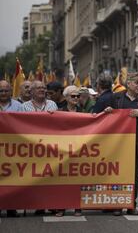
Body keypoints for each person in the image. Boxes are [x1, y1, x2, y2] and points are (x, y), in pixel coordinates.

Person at [104, 72, 138, 216]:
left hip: (136, 144)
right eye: (136, 82)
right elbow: (108, 119)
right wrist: (108, 112)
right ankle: (118, 204)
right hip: (119, 145)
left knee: (133, 176)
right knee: (118, 174)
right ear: (129, 83)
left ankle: (131, 204)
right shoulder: (117, 98)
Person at [21, 81, 57, 215]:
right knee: (35, 176)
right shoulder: (23, 107)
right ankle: (38, 204)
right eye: (38, 88)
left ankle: (51, 203)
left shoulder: (52, 104)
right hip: (32, 147)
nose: (42, 90)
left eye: (44, 87)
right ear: (32, 91)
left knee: (50, 176)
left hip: (49, 147)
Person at [54, 85, 82, 217]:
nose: (76, 98)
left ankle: (77, 207)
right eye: (73, 96)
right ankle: (61, 207)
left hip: (80, 151)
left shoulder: (84, 112)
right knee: (62, 180)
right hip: (63, 151)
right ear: (66, 97)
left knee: (78, 179)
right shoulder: (59, 112)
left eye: (78, 96)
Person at [0, 80, 22, 217]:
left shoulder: (19, 107)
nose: (3, 93)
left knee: (13, 177)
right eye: (0, 91)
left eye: (6, 90)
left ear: (10, 91)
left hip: (13, 149)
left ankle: (11, 207)